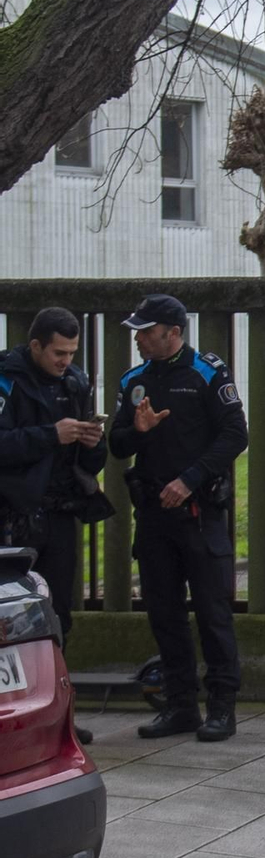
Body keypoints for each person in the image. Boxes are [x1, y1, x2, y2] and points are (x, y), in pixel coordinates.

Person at [110, 295, 248, 743]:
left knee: (212, 614)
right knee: (164, 613)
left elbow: (235, 434)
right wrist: (138, 430)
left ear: (173, 332)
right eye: (137, 331)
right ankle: (181, 706)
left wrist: (189, 479)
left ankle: (222, 708)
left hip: (198, 511)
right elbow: (116, 445)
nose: (139, 338)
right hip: (153, 515)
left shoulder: (207, 372)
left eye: (146, 331)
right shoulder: (134, 380)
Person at [0, 308, 110, 742]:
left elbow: (86, 463)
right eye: (58, 352)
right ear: (36, 347)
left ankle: (58, 713)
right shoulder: (7, 380)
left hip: (61, 513)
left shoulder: (76, 382)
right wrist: (51, 434)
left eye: (72, 352)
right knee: (11, 618)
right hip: (13, 515)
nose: (65, 360)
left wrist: (92, 443)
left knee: (59, 615)